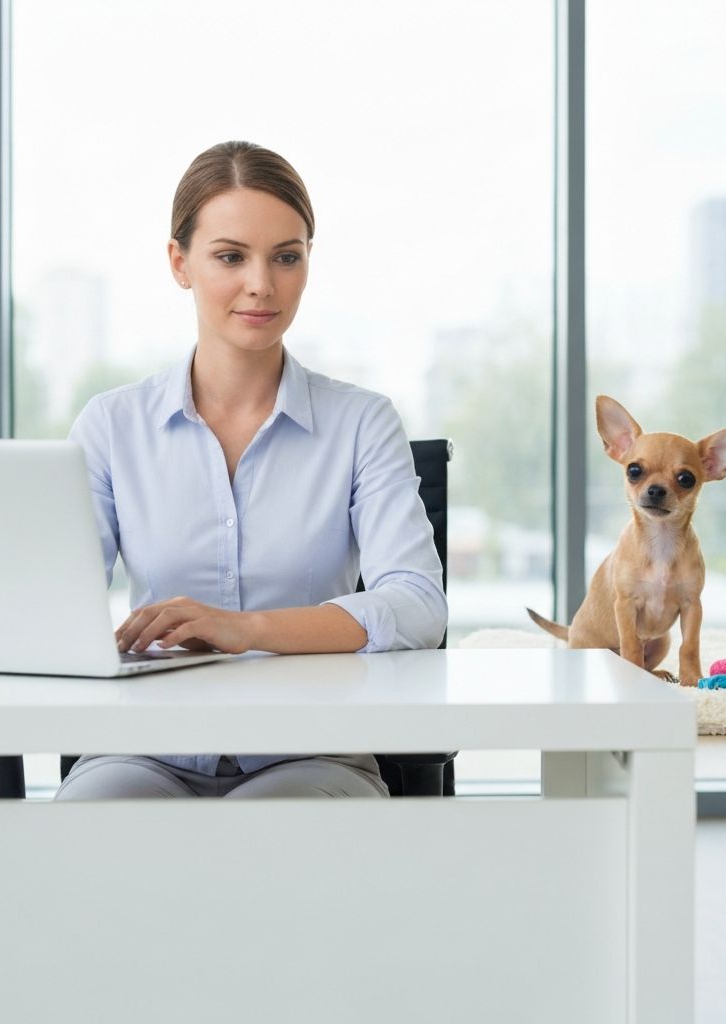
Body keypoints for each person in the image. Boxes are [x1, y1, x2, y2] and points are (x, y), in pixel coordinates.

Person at [55, 141, 447, 801]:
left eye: (285, 257)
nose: (261, 284)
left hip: (311, 754)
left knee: (282, 846)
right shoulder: (110, 427)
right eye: (230, 256)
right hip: (143, 751)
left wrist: (247, 630)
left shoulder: (362, 423)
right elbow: (54, 612)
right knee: (85, 834)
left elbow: (417, 604)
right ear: (180, 263)